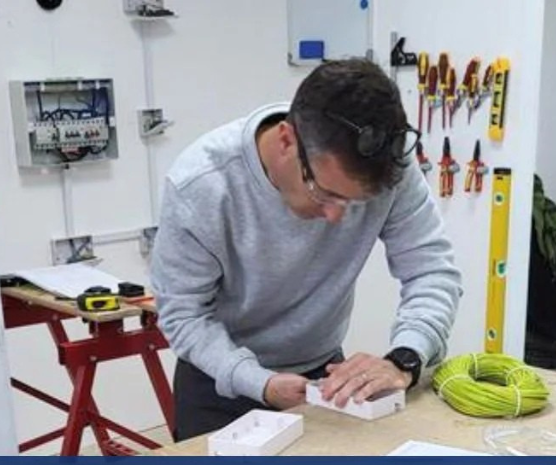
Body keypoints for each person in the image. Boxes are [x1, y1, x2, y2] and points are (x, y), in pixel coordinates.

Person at [149, 58, 463, 442]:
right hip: (220, 383)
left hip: (325, 378)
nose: (334, 217)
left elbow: (431, 271)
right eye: (325, 192)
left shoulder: (390, 170)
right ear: (286, 140)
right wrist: (258, 382)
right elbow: (184, 314)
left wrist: (406, 358)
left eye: (355, 203)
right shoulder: (202, 185)